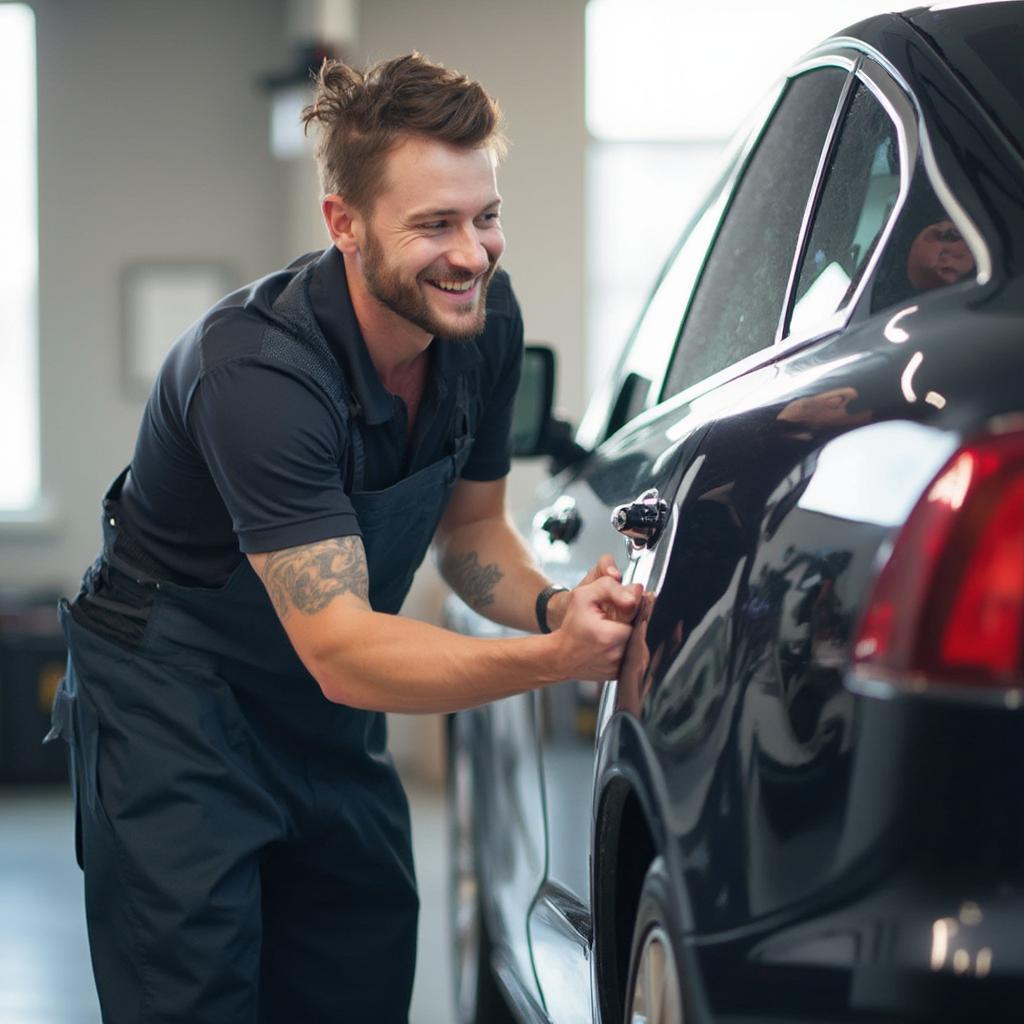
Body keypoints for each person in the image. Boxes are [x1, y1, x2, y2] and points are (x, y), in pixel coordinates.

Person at [48, 53, 640, 1023]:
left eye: (483, 216)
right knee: (191, 996)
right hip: (174, 705)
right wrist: (550, 659)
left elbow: (475, 531)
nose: (471, 253)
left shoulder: (481, 331)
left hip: (325, 713)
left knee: (355, 972)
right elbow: (343, 649)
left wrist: (551, 602)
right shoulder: (256, 373)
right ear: (343, 224)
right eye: (433, 225)